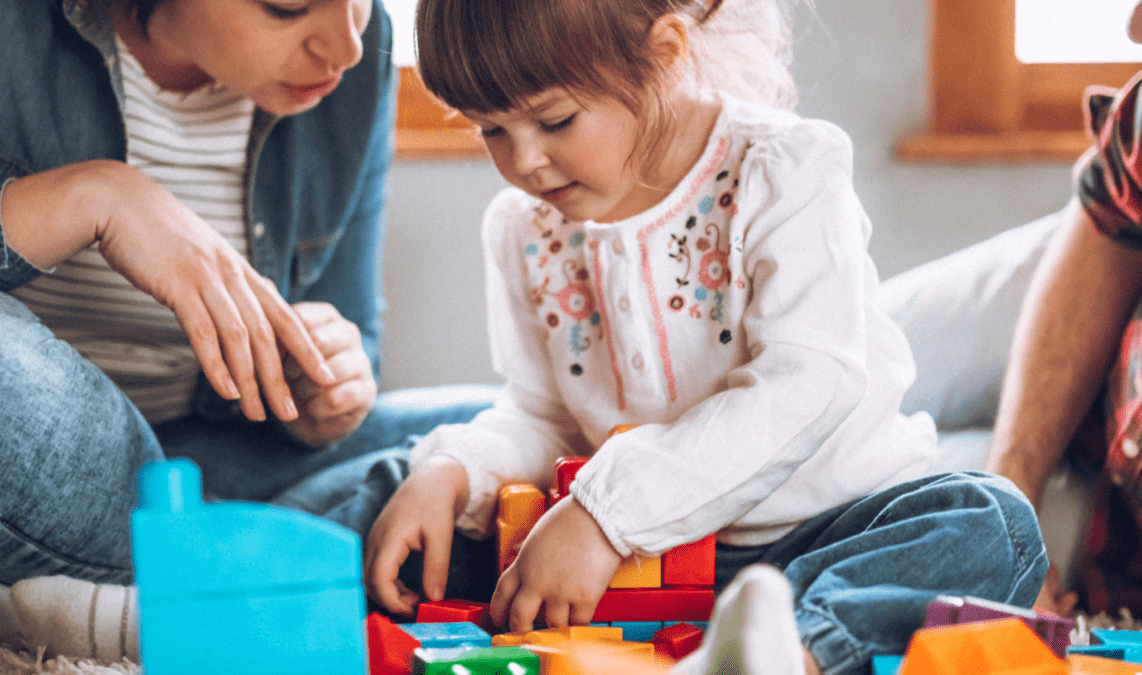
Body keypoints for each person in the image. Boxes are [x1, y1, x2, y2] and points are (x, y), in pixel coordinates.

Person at [362, 0, 1049, 672]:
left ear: (664, 55)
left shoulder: (782, 170)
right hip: (641, 565)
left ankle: (789, 651)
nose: (525, 161)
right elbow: (541, 415)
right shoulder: (523, 229)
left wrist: (607, 515)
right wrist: (452, 472)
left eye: (554, 119)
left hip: (830, 530)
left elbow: (812, 379)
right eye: (491, 130)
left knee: (993, 523)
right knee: (409, 498)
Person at [0, 0, 492, 592]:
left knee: (494, 435)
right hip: (43, 451)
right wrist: (93, 198)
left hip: (214, 453)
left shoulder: (359, 57)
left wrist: (329, 390)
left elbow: (356, 337)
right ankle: (256, 566)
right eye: (289, 8)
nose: (347, 49)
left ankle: (154, 579)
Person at [985, 1, 1142, 618]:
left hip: (1097, 483)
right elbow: (1108, 228)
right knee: (862, 379)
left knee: (890, 491)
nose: (1133, 28)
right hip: (1079, 269)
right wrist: (1007, 513)